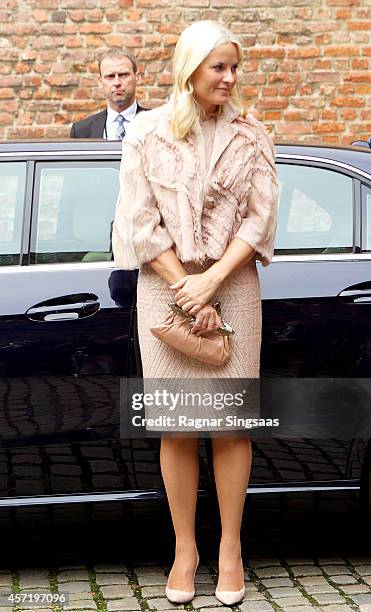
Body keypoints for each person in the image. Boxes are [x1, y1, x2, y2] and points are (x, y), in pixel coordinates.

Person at [112, 20, 278, 606]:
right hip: (165, 287)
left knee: (232, 425)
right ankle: (186, 549)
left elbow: (260, 221)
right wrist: (186, 285)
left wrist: (211, 280)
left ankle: (231, 548)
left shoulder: (253, 134)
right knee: (178, 426)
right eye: (219, 67)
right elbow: (137, 222)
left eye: (235, 67)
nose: (230, 78)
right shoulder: (146, 133)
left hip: (231, 284)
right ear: (190, 69)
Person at [70, 49, 146, 139]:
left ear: (137, 77)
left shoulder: (159, 124)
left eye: (124, 75)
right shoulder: (81, 131)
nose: (117, 82)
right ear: (100, 81)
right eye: (110, 76)